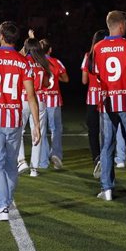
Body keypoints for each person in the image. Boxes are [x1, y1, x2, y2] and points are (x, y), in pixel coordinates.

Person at [0, 21, 41, 221]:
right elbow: (31, 95)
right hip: (13, 118)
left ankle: (3, 207)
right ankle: (6, 201)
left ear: (1, 36)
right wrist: (36, 124)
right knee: (11, 165)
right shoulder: (24, 63)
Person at [93, 10, 126, 203]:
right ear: (121, 25)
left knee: (107, 146)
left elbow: (97, 74)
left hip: (108, 101)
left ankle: (107, 188)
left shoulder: (97, 47)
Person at [17, 37, 51, 177]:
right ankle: (34, 168)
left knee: (18, 132)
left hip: (24, 98)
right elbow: (46, 84)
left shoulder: (23, 62)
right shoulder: (42, 63)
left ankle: (21, 161)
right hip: (40, 100)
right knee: (37, 133)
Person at [39, 38, 69, 169]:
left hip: (41, 98)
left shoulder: (37, 62)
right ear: (50, 50)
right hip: (54, 99)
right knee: (55, 129)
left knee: (41, 129)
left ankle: (43, 158)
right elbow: (66, 78)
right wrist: (56, 77)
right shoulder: (56, 62)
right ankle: (56, 154)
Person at [81, 29, 106, 177]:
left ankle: (96, 158)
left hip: (92, 98)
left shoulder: (88, 56)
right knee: (107, 131)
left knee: (93, 131)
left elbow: (84, 80)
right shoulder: (108, 54)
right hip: (105, 98)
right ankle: (106, 158)